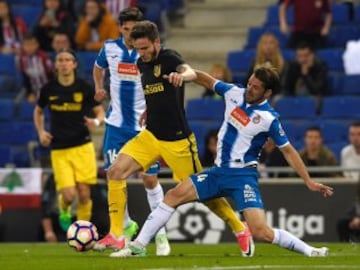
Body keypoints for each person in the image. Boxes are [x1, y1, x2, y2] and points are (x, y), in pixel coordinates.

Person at [117, 66, 334, 258]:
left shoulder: (269, 119)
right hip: (218, 172)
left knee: (261, 232)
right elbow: (205, 79)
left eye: (256, 87)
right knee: (173, 195)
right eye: (249, 83)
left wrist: (308, 181)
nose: (249, 89)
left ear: (267, 92)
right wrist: (186, 74)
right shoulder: (234, 93)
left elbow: (288, 151)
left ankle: (310, 251)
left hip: (243, 177)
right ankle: (138, 246)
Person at [102, 20, 252, 258]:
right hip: (150, 135)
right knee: (115, 172)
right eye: (138, 49)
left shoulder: (170, 58)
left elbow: (188, 71)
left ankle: (239, 227)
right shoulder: (142, 63)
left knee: (206, 194)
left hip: (178, 141)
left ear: (156, 42)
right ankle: (118, 236)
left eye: (145, 48)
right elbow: (155, 91)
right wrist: (149, 110)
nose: (141, 53)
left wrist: (185, 77)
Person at [91, 7, 170, 256]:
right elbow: (97, 67)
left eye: (134, 29)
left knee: (150, 180)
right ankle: (122, 230)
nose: (129, 34)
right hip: (116, 125)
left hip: (144, 128)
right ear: (120, 28)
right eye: (125, 29)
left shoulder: (147, 53)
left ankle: (160, 235)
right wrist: (98, 87)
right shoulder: (110, 47)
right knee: (114, 176)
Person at [33, 49, 105, 232]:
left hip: (83, 146)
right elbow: (38, 111)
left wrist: (95, 122)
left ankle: (82, 230)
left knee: (83, 193)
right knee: (68, 195)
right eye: (60, 60)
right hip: (59, 149)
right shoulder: (49, 89)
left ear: (74, 64)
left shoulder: (84, 87)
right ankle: (64, 209)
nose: (64, 63)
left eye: (68, 60)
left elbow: (100, 111)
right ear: (56, 65)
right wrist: (41, 132)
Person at [283, 42, 328, 112]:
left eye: (306, 56)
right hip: (294, 99)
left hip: (314, 99)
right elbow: (286, 88)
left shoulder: (320, 66)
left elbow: (317, 91)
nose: (302, 59)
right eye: (299, 56)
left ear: (312, 55)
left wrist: (306, 75)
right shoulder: (292, 66)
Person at [245, 32, 287, 97]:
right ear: (260, 46)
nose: (268, 46)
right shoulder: (254, 63)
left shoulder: (283, 64)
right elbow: (247, 82)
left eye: (271, 43)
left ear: (276, 45)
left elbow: (283, 85)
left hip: (275, 96)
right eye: (265, 43)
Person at [17, 34, 53, 103]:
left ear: (37, 45)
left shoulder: (44, 57)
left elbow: (52, 76)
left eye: (32, 44)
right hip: (33, 89)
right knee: (18, 102)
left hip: (48, 89)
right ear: (23, 46)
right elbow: (25, 79)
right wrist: (30, 93)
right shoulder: (21, 59)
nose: (29, 47)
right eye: (27, 45)